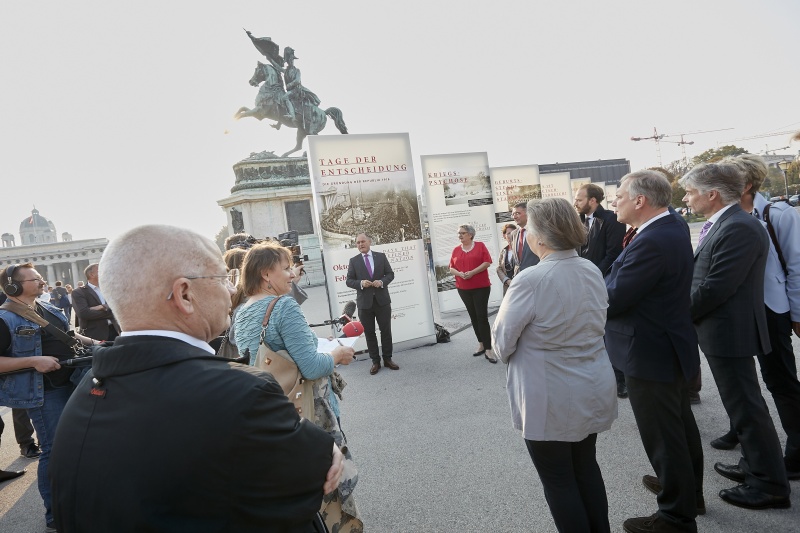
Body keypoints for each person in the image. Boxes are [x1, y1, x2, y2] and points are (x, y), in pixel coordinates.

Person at [50, 225, 342, 533]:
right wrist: (325, 450)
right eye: (222, 278)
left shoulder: (83, 396)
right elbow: (303, 492)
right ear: (185, 294)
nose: (232, 290)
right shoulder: (243, 393)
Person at [492, 198, 617, 533]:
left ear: (542, 237)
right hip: (590, 384)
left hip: (549, 394)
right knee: (586, 468)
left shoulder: (531, 279)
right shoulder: (590, 269)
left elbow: (502, 342)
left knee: (559, 481)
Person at [680, 163, 790, 510]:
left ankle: (769, 484)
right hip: (724, 329)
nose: (687, 198)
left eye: (691, 191)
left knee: (746, 407)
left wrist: (678, 315)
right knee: (742, 406)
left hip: (730, 330)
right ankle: (754, 467)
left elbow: (716, 287)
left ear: (712, 194)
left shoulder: (739, 227)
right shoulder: (730, 222)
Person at [234, 241, 362, 532]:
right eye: (286, 268)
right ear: (267, 274)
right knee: (331, 486)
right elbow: (313, 366)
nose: (292, 274)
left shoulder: (241, 312)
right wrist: (337, 355)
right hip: (308, 409)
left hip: (273, 410)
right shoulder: (284, 306)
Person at [605, 171, 704, 533]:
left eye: (618, 195)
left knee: (664, 435)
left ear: (640, 201)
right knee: (679, 427)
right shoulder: (670, 225)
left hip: (649, 351)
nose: (614, 202)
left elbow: (613, 297)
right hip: (666, 345)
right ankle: (688, 493)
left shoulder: (652, 240)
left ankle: (676, 517)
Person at [705, 154, 800, 479]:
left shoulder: (778, 213)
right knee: (742, 382)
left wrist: (797, 313)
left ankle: (797, 453)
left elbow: (797, 266)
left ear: (744, 184)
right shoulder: (726, 217)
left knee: (779, 380)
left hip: (771, 310)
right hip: (739, 310)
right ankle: (742, 435)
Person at [1, 263, 98, 530]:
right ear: (13, 286)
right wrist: (35, 361)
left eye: (42, 278)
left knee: (78, 447)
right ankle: (55, 514)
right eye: (36, 279)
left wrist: (97, 344)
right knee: (54, 451)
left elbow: (70, 335)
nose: (43, 282)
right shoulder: (4, 318)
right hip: (46, 392)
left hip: (73, 383)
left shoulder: (47, 308)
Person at [574, 183, 628, 398]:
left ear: (593, 200)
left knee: (608, 332)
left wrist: (592, 276)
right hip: (584, 283)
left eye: (579, 199)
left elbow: (613, 253)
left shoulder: (611, 220)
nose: (575, 202)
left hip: (603, 282)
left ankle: (620, 380)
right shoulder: (578, 221)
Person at [345, 233, 398, 375]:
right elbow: (349, 281)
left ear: (369, 242)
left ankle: (388, 359)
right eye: (357, 243)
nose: (360, 244)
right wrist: (361, 283)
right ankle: (375, 361)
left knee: (386, 331)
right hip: (364, 304)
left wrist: (381, 282)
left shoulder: (381, 257)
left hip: (382, 301)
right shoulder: (354, 261)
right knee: (369, 333)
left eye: (363, 241)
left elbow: (390, 274)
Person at [450, 224, 496, 363]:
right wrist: (460, 274)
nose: (460, 236)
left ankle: (489, 349)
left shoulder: (480, 246)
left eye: (462, 233)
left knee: (481, 317)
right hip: (463, 288)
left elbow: (487, 262)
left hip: (481, 287)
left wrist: (472, 273)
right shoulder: (456, 250)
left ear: (470, 234)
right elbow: (451, 268)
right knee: (473, 317)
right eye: (458, 233)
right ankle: (481, 344)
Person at [71, 263, 120, 342]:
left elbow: (120, 308)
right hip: (94, 335)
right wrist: (110, 311)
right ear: (92, 274)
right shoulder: (79, 292)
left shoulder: (109, 289)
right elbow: (84, 313)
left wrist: (101, 308)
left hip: (115, 331)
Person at [509, 202, 540, 274]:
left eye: (517, 213)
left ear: (528, 213)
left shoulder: (537, 231)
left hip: (536, 275)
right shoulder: (514, 234)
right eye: (513, 214)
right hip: (519, 277)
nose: (514, 217)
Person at [495, 223, 517, 295]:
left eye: (513, 232)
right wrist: (507, 281)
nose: (511, 235)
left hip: (520, 284)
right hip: (508, 287)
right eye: (508, 233)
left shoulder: (521, 249)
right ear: (504, 236)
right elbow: (499, 268)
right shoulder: (503, 251)